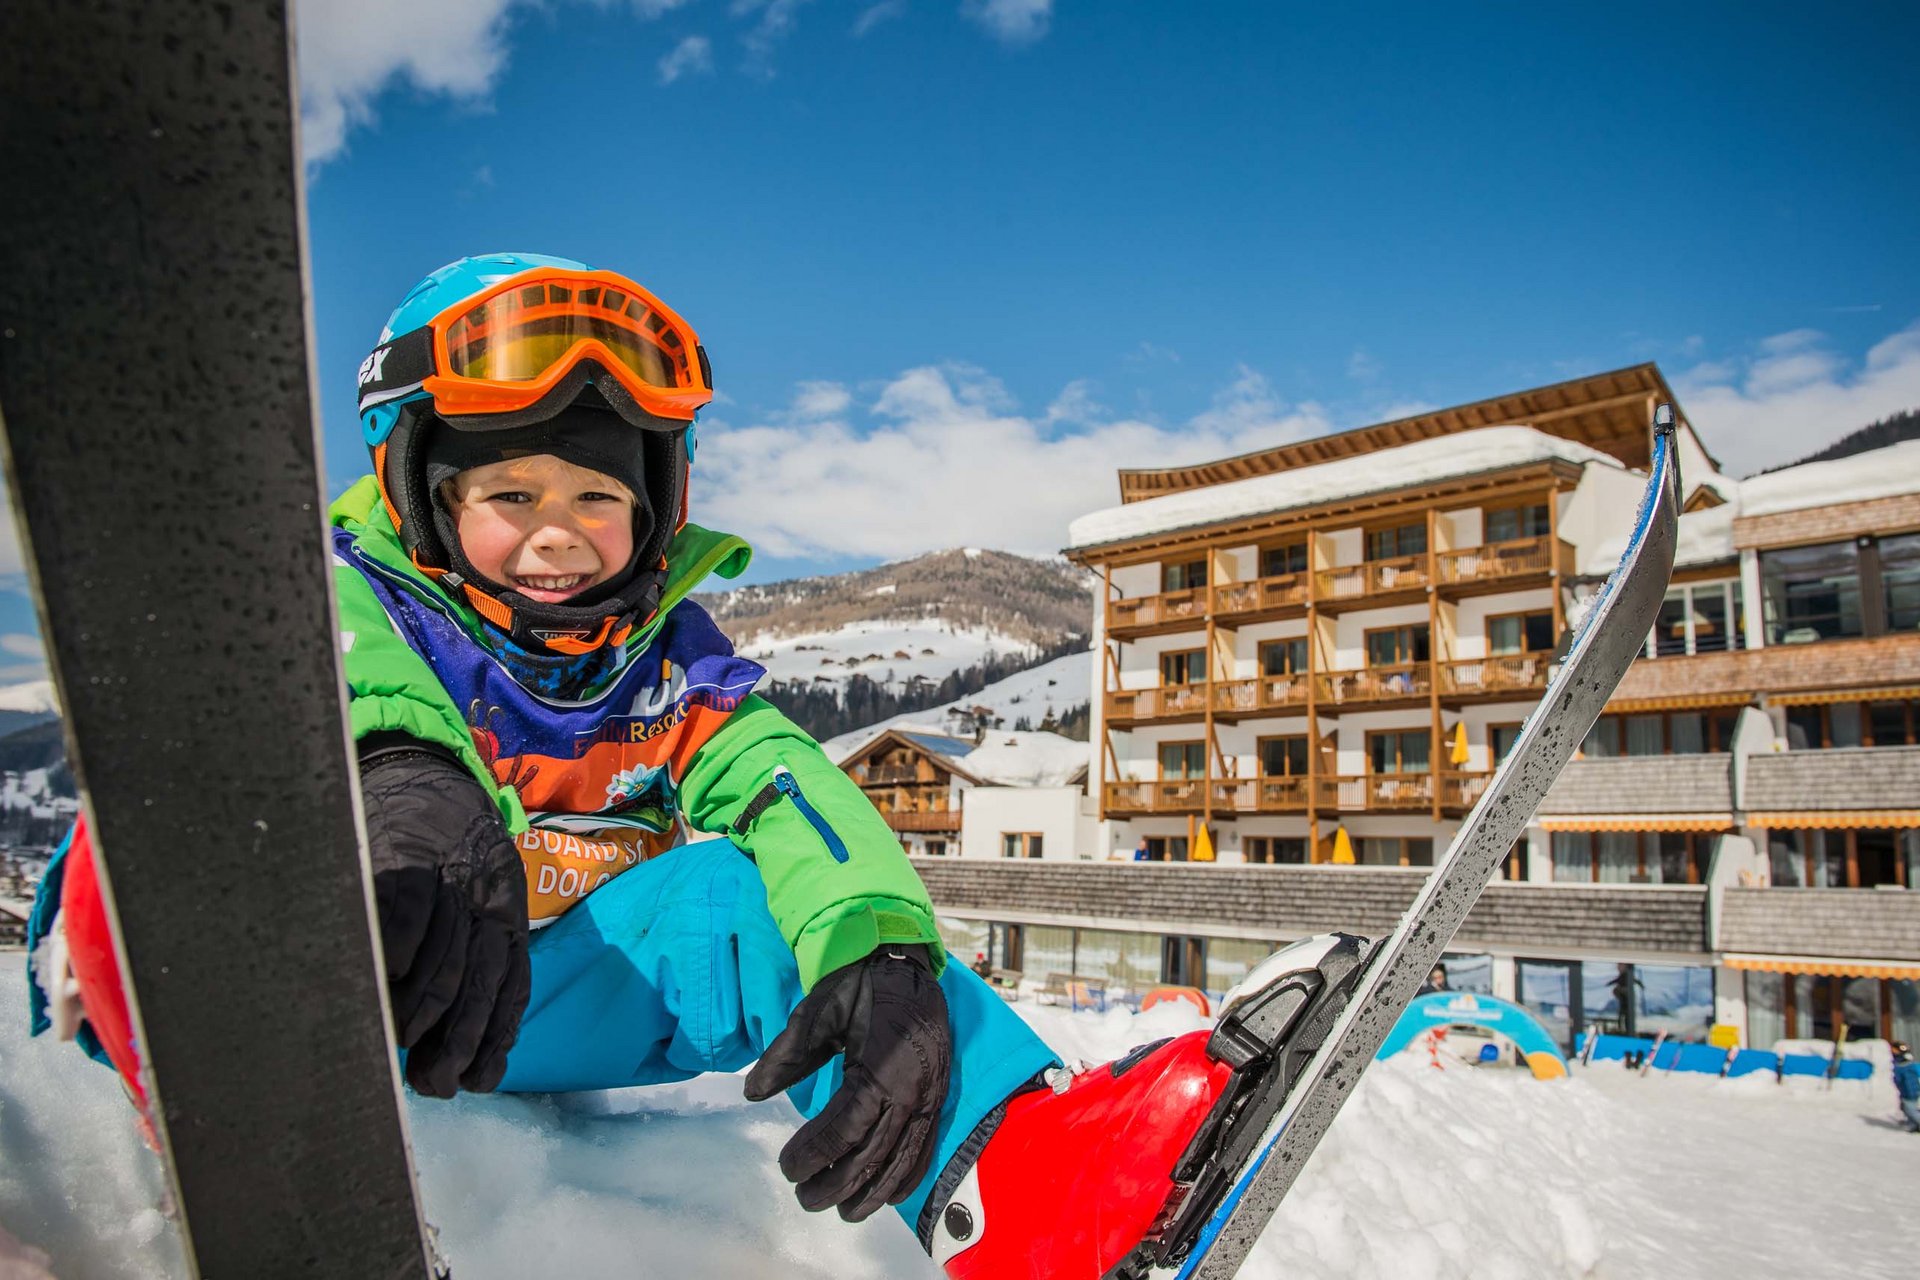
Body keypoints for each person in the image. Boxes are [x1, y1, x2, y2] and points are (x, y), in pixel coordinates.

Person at [25, 254, 1316, 1278]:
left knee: (735, 904)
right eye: (510, 493)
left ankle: (1028, 1191)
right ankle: (76, 1161)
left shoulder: (664, 668)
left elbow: (783, 782)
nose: (557, 535)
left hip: (510, 1008)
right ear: (420, 492)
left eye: (597, 498)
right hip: (317, 981)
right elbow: (355, 669)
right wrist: (402, 781)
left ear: (655, 510)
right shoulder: (341, 602)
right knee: (147, 810)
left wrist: (878, 944)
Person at [1893, 1041, 1920, 1133]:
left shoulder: (1906, 1067)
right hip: (1906, 1092)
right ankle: (1913, 1125)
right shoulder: (1902, 1066)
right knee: (1905, 1108)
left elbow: (1909, 1082)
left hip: (1910, 1092)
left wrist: (1910, 1093)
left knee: (1910, 1110)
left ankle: (1916, 1122)